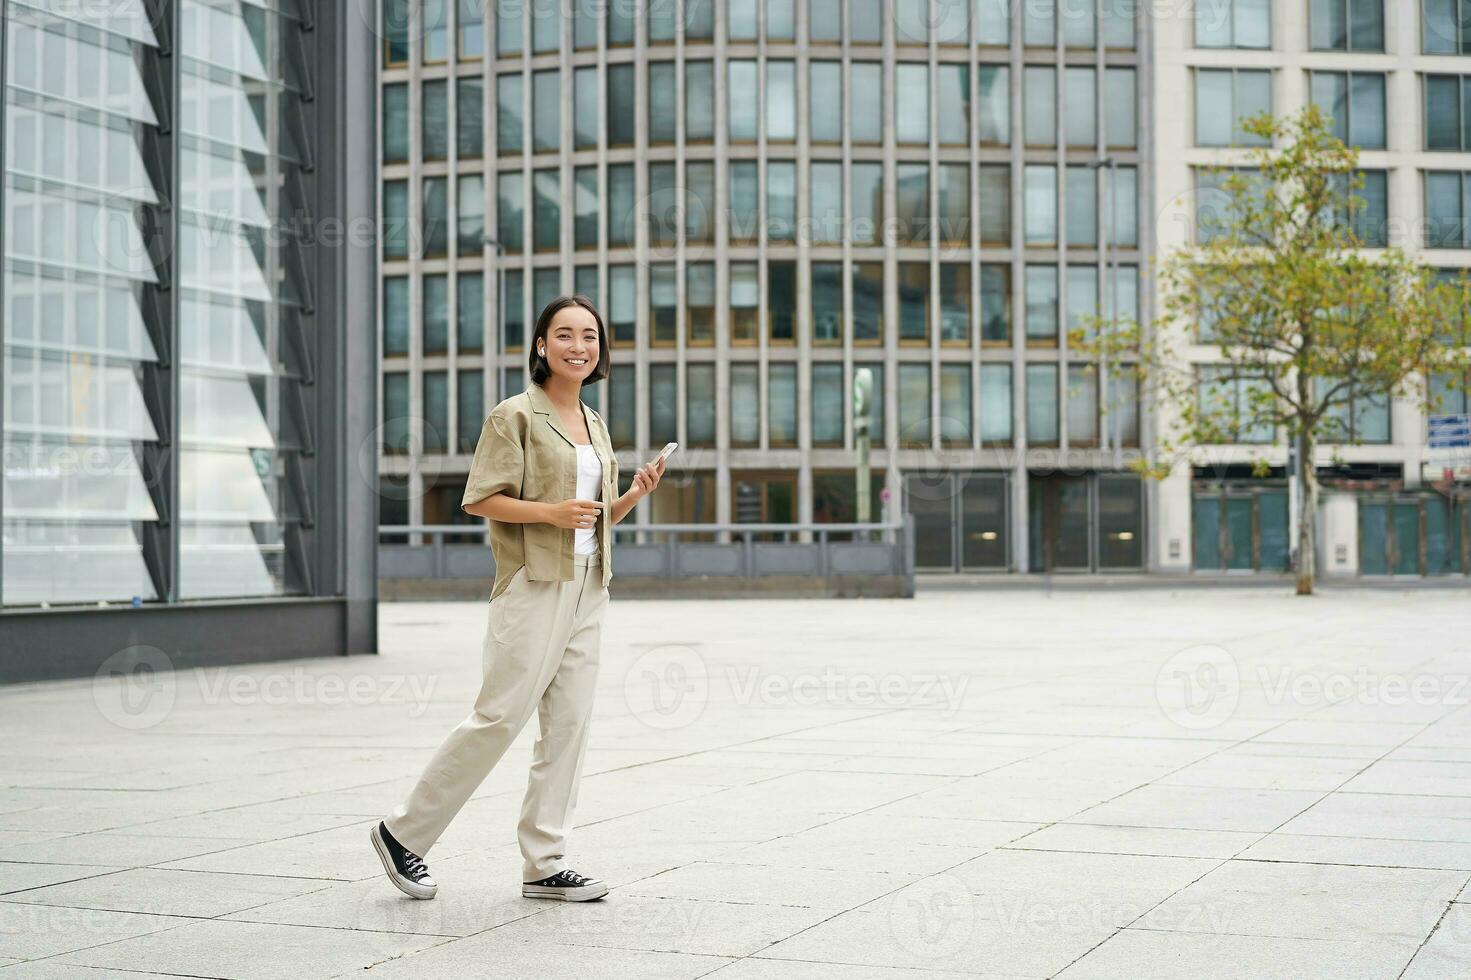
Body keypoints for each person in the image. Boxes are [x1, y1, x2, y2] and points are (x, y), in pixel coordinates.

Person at [370, 295, 666, 903]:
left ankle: (545, 862)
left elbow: (594, 517)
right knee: (500, 716)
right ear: (540, 345)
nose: (578, 346)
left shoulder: (596, 422)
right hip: (533, 581)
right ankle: (403, 834)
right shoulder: (515, 416)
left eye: (590, 336)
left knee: (570, 725)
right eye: (564, 334)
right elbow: (480, 498)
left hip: (590, 581)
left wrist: (634, 494)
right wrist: (550, 513)